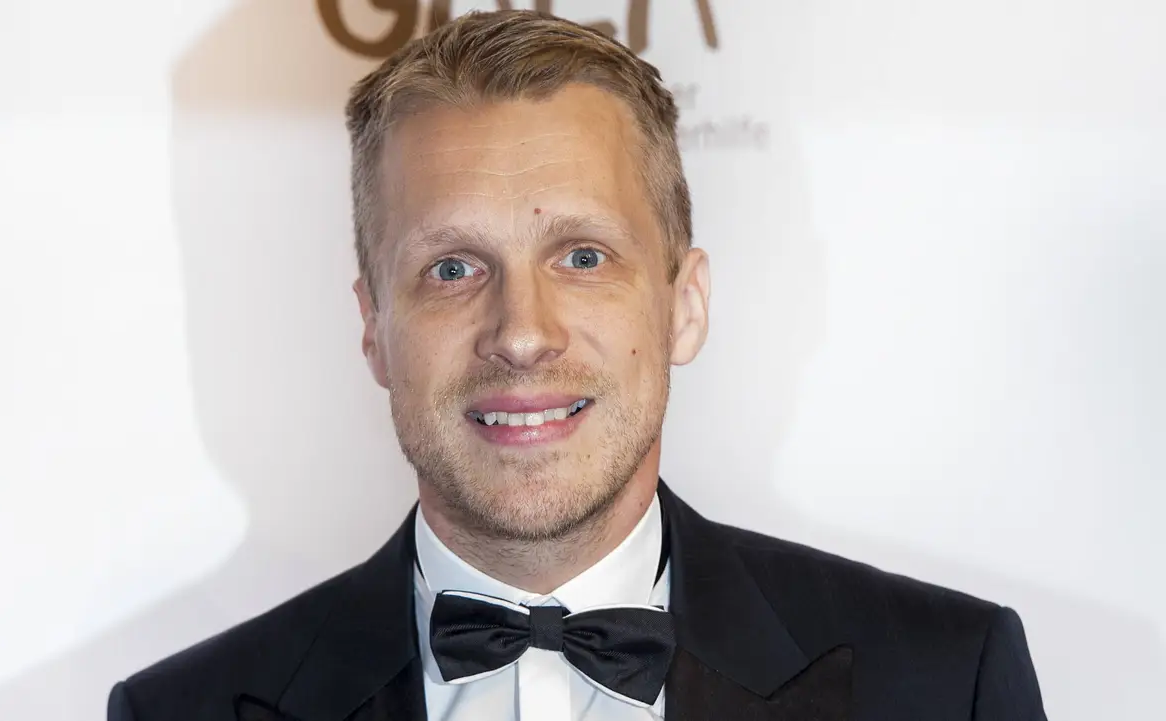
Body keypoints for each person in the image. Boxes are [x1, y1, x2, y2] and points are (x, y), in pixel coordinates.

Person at [108, 10, 1047, 721]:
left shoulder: (945, 681)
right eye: (452, 268)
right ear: (374, 329)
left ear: (684, 304)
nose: (522, 333)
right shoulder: (178, 712)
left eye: (583, 256)